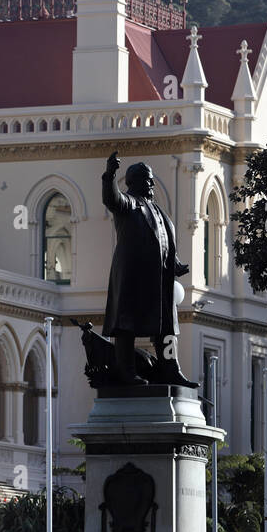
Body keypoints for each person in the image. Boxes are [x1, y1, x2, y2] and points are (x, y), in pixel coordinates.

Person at [100, 151, 196, 387]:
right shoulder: (128, 204)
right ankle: (126, 372)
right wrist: (110, 174)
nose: (152, 183)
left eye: (152, 179)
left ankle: (170, 369)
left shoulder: (157, 210)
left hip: (159, 279)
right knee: (126, 326)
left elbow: (163, 239)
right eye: (148, 179)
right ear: (134, 182)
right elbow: (111, 199)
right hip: (133, 277)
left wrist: (175, 264)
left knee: (167, 328)